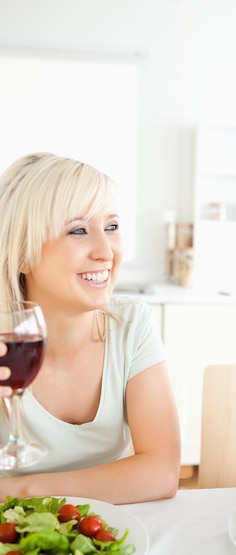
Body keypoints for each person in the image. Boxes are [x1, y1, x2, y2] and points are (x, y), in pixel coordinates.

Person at [0, 152, 181, 504]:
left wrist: (22, 489)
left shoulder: (131, 323)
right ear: (22, 253)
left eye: (111, 227)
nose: (106, 251)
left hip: (101, 534)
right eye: (78, 230)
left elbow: (161, 472)